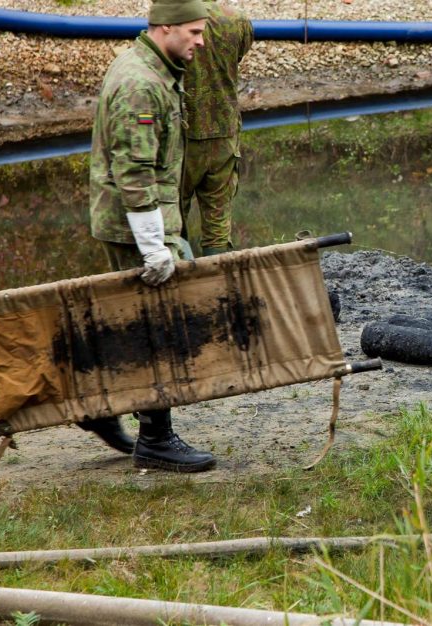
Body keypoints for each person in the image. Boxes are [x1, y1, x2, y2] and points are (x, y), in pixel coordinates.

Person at [87, 0, 216, 472]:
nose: (201, 42)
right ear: (166, 28)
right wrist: (153, 245)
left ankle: (98, 409)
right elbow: (135, 171)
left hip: (141, 221)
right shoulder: (141, 82)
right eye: (195, 32)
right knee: (152, 330)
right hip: (132, 225)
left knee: (134, 324)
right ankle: (156, 440)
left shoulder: (155, 68)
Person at [180, 0, 253, 256]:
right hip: (223, 132)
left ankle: (180, 282)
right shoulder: (237, 20)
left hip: (184, 136)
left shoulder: (176, 19)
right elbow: (238, 57)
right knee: (218, 224)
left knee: (173, 219)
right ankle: (219, 285)